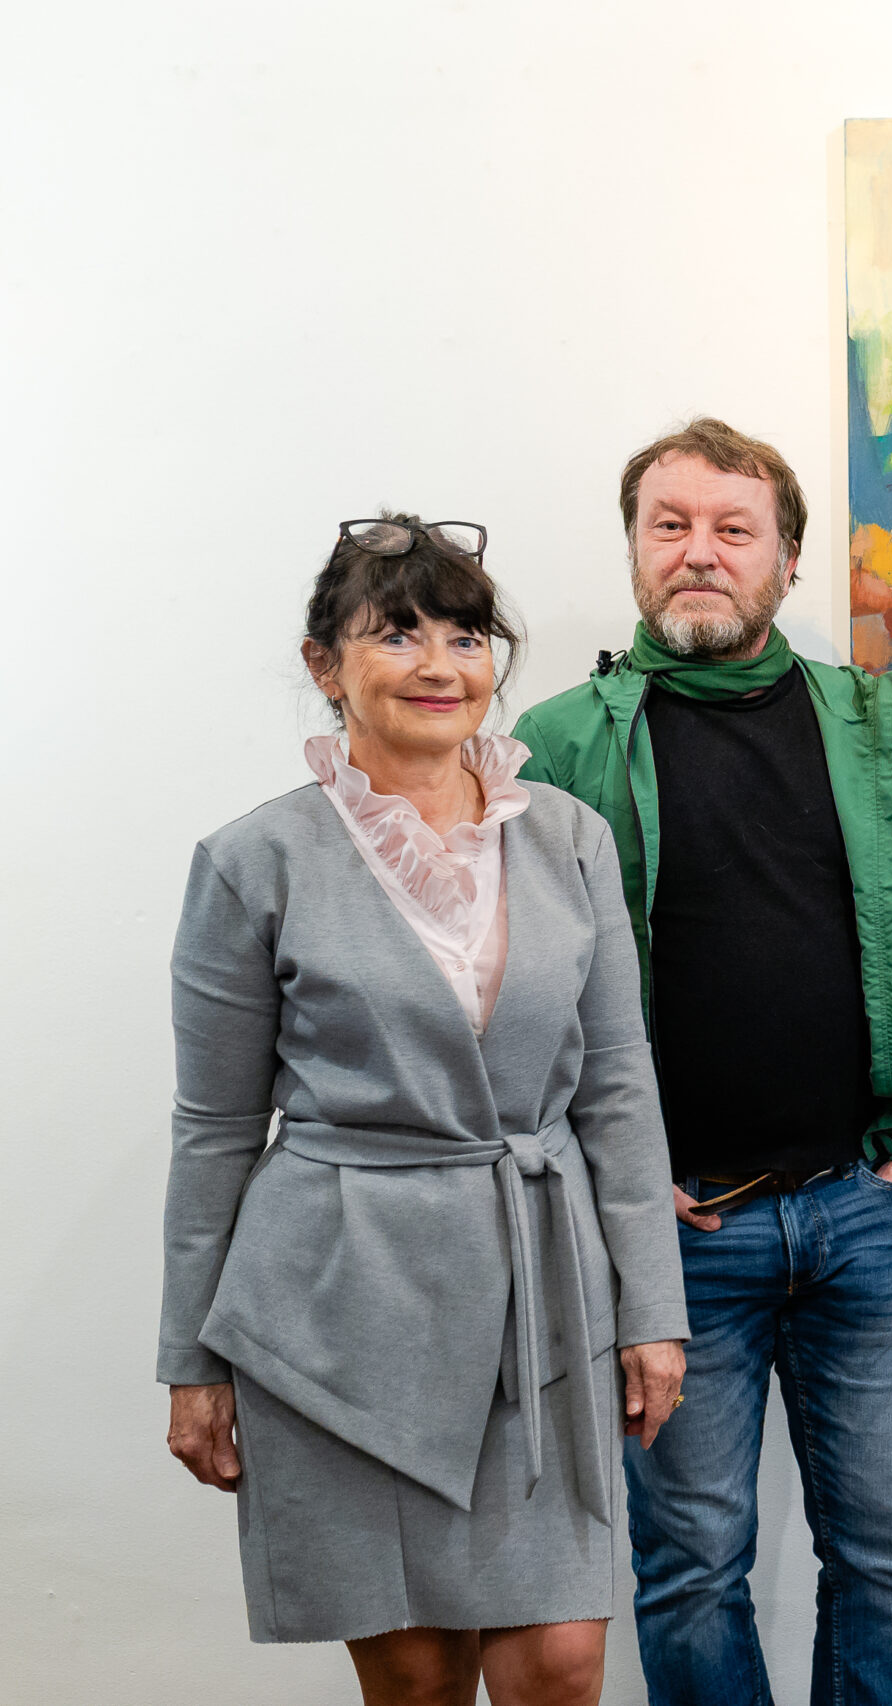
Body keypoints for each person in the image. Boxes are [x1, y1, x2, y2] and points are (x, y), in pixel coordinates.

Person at [159, 516, 691, 1706]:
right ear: (324, 663)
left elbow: (617, 1082)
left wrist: (653, 1308)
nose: (441, 664)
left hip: (540, 1296)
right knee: (414, 1675)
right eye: (396, 634)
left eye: (465, 635)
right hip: (341, 1312)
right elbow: (214, 1126)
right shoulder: (254, 859)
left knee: (559, 1662)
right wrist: (191, 1359)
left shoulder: (568, 838)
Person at [513, 419, 892, 1706]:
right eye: (669, 525)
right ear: (634, 549)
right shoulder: (557, 743)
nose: (699, 552)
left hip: (865, 1215)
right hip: (675, 1238)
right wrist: (610, 1182)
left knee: (888, 1556)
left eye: (733, 528)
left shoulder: (873, 725)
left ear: (785, 558)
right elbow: (514, 988)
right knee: (690, 1565)